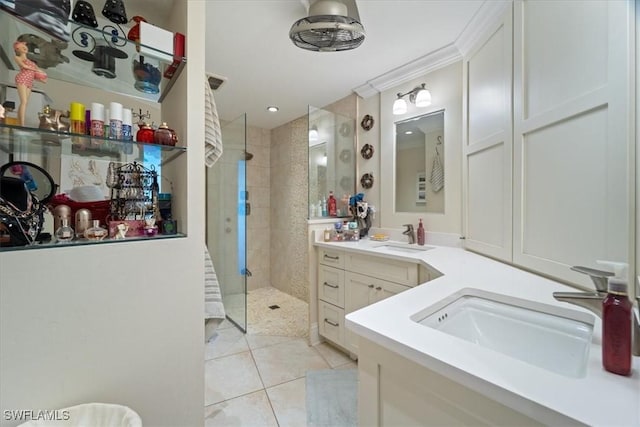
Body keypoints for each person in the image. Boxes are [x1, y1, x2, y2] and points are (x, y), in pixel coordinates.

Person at [13, 40, 47, 126]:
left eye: (25, 47)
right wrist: (35, 70)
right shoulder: (18, 58)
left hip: (29, 81)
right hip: (22, 78)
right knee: (24, 101)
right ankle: (22, 124)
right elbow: (24, 66)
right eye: (22, 47)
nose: (25, 48)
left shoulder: (31, 62)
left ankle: (19, 122)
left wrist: (43, 76)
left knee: (25, 102)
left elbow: (38, 72)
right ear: (17, 49)